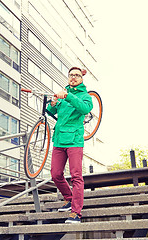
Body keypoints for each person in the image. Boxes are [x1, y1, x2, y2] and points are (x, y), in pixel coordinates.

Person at [46, 67, 93, 224]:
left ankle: (76, 213)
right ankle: (69, 198)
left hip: (74, 140)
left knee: (76, 176)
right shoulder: (62, 94)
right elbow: (50, 111)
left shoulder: (85, 96)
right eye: (71, 75)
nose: (73, 77)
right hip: (59, 140)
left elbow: (85, 108)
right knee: (55, 174)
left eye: (77, 75)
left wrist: (68, 96)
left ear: (81, 79)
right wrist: (53, 103)